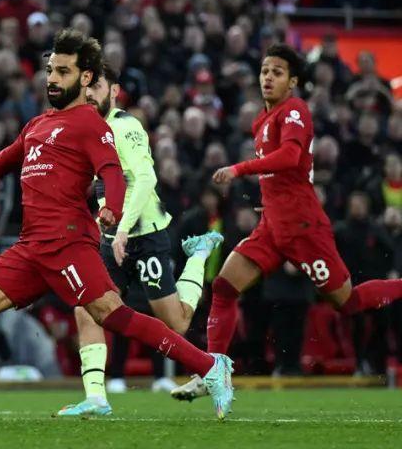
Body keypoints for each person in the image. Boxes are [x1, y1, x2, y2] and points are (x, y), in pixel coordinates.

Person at [0, 29, 235, 422]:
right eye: (50, 70)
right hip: (31, 247)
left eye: (63, 71)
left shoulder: (90, 123)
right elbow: (1, 162)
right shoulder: (37, 125)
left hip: (68, 243)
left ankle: (210, 366)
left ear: (85, 78)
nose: (52, 78)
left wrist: (113, 209)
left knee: (112, 315)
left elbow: (113, 172)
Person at [172, 43, 402, 400]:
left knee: (348, 302)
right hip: (273, 226)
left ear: (292, 81)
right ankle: (213, 373)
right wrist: (270, 203)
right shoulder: (261, 120)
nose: (268, 77)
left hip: (303, 227)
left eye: (277, 72)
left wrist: (239, 169)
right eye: (265, 71)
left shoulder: (294, 110)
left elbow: (291, 156)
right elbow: (283, 178)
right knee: (224, 287)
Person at [56, 65, 223, 417]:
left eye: (97, 86)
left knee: (176, 323)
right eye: (86, 86)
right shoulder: (88, 128)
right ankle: (96, 397)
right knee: (87, 308)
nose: (90, 93)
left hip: (145, 236)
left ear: (114, 91)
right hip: (111, 238)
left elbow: (145, 178)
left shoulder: (126, 126)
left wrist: (123, 229)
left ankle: (199, 255)